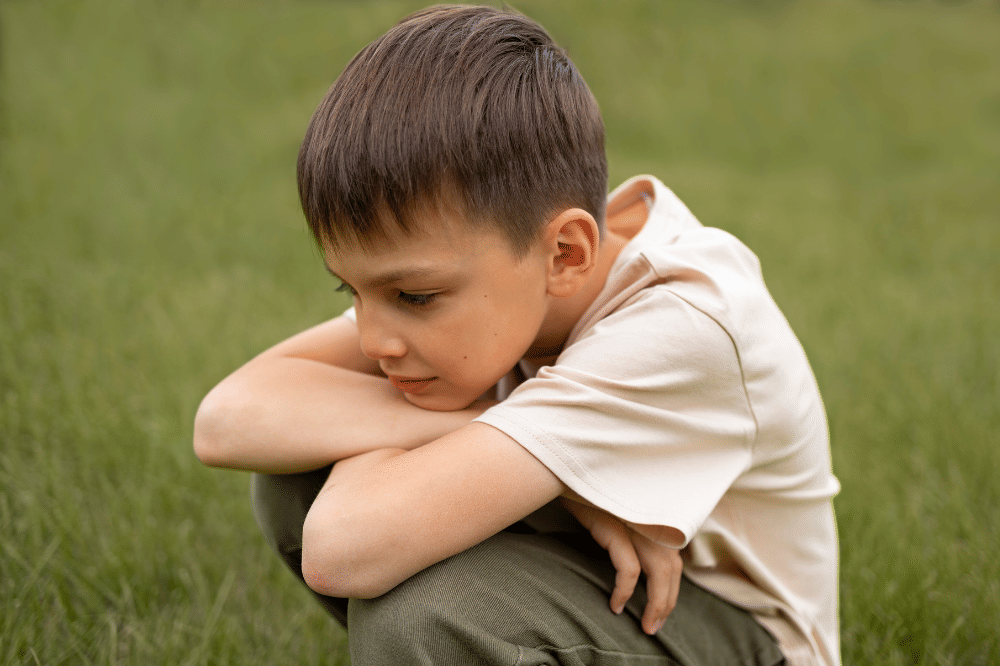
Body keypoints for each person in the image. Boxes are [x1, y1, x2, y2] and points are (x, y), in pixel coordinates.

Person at [193, 5, 840, 665]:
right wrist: (563, 479)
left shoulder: (684, 323)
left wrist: (446, 432)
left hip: (737, 633)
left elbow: (341, 549)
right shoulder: (496, 278)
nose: (377, 339)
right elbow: (225, 420)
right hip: (603, 579)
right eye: (351, 292)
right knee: (295, 472)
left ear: (565, 253)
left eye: (413, 296)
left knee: (424, 616)